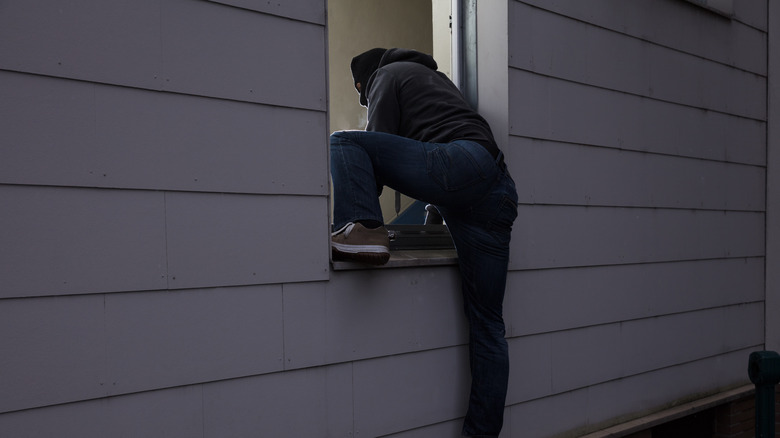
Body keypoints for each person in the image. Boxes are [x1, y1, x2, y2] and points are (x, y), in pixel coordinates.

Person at [330, 48, 518, 437]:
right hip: (497, 188)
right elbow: (437, 148)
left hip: (462, 165)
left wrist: (358, 205)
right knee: (488, 326)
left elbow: (376, 144)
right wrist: (433, 218)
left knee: (344, 143)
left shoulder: (387, 74)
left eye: (361, 93)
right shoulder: (436, 81)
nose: (364, 98)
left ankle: (362, 229)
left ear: (365, 81)